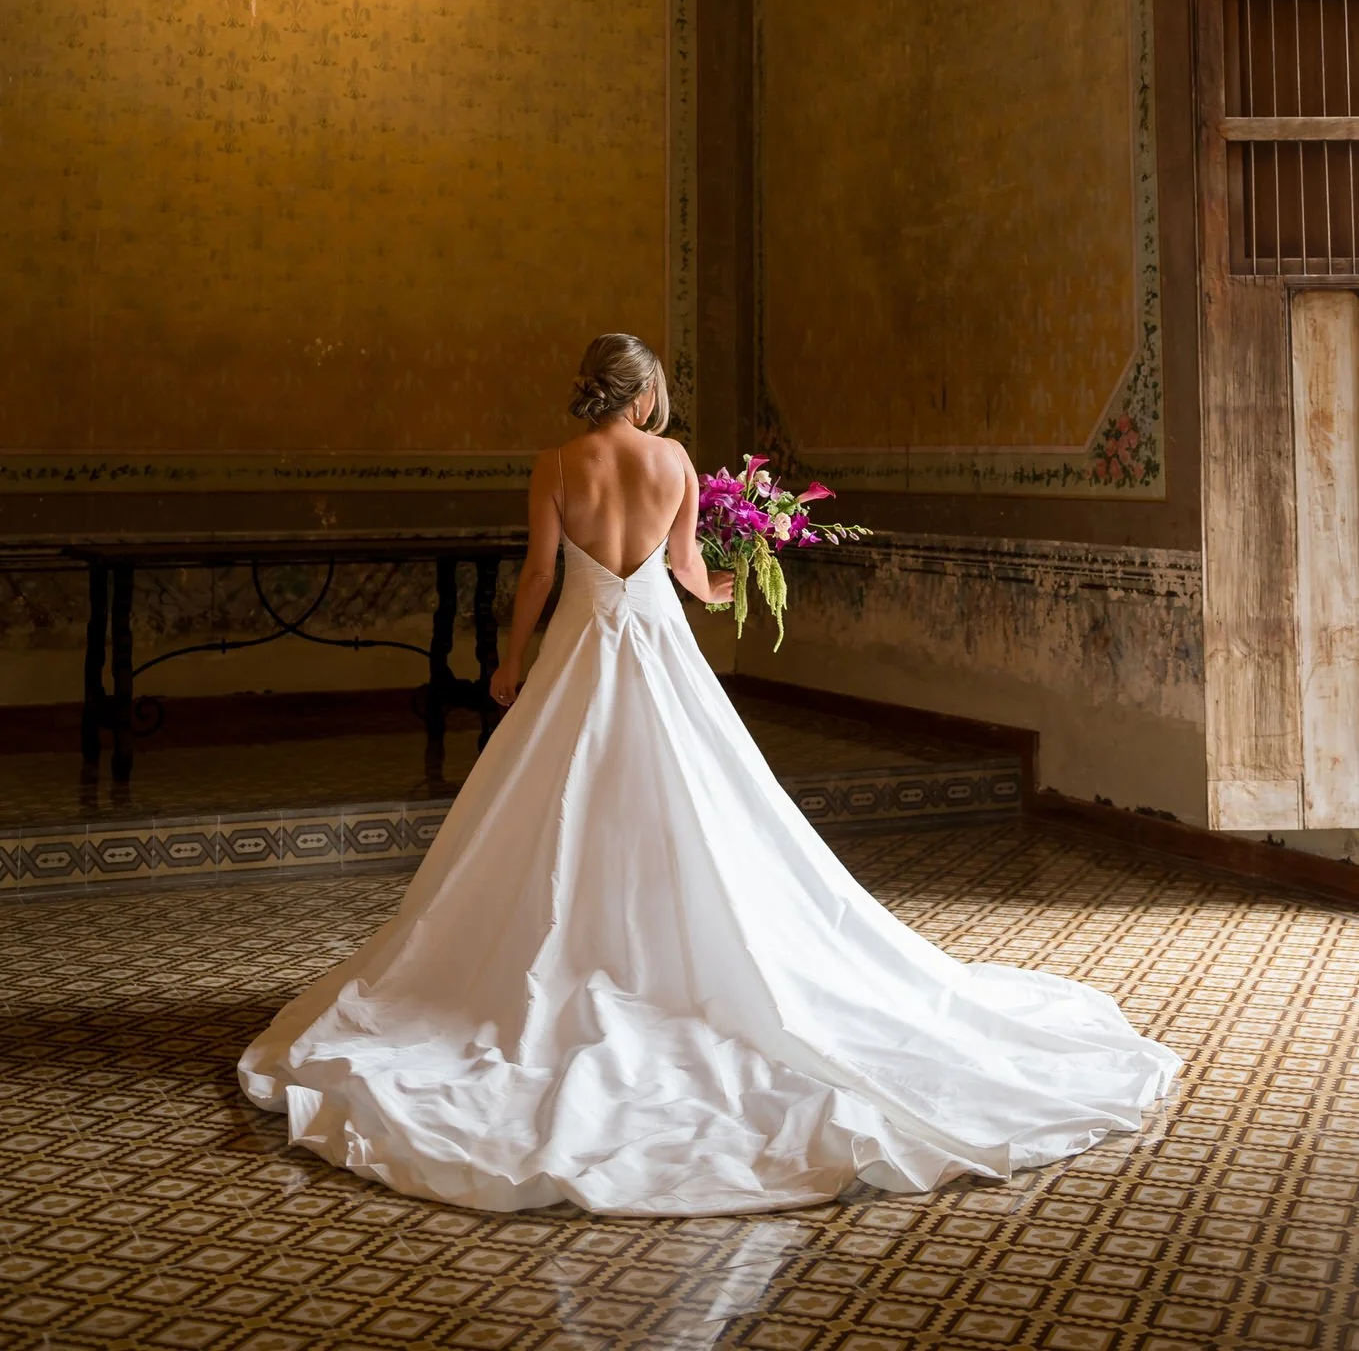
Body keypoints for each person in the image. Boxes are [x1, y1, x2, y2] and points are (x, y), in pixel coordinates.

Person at [239, 331, 1179, 1216]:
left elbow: (535, 575)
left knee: (551, 803)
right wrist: (722, 588)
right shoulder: (675, 460)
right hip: (654, 640)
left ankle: (561, 953)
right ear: (643, 393)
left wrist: (510, 661)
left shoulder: (556, 463)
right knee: (696, 798)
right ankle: (674, 947)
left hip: (576, 645)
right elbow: (687, 567)